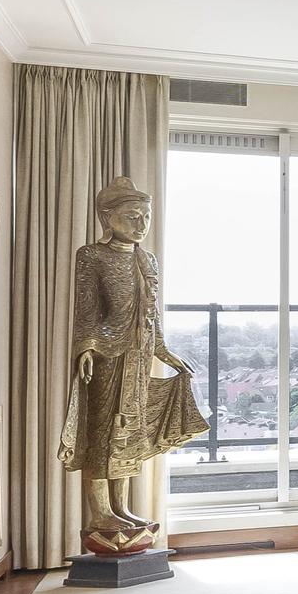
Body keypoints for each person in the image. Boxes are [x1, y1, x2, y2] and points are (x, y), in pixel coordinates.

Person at [59, 177, 211, 546]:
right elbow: (87, 310)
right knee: (102, 430)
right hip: (107, 355)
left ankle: (122, 507)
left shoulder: (147, 259)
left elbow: (151, 314)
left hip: (140, 357)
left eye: (145, 217)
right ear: (107, 218)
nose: (140, 224)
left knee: (129, 431)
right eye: (131, 217)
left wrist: (163, 351)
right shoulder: (91, 256)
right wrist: (87, 348)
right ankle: (100, 512)